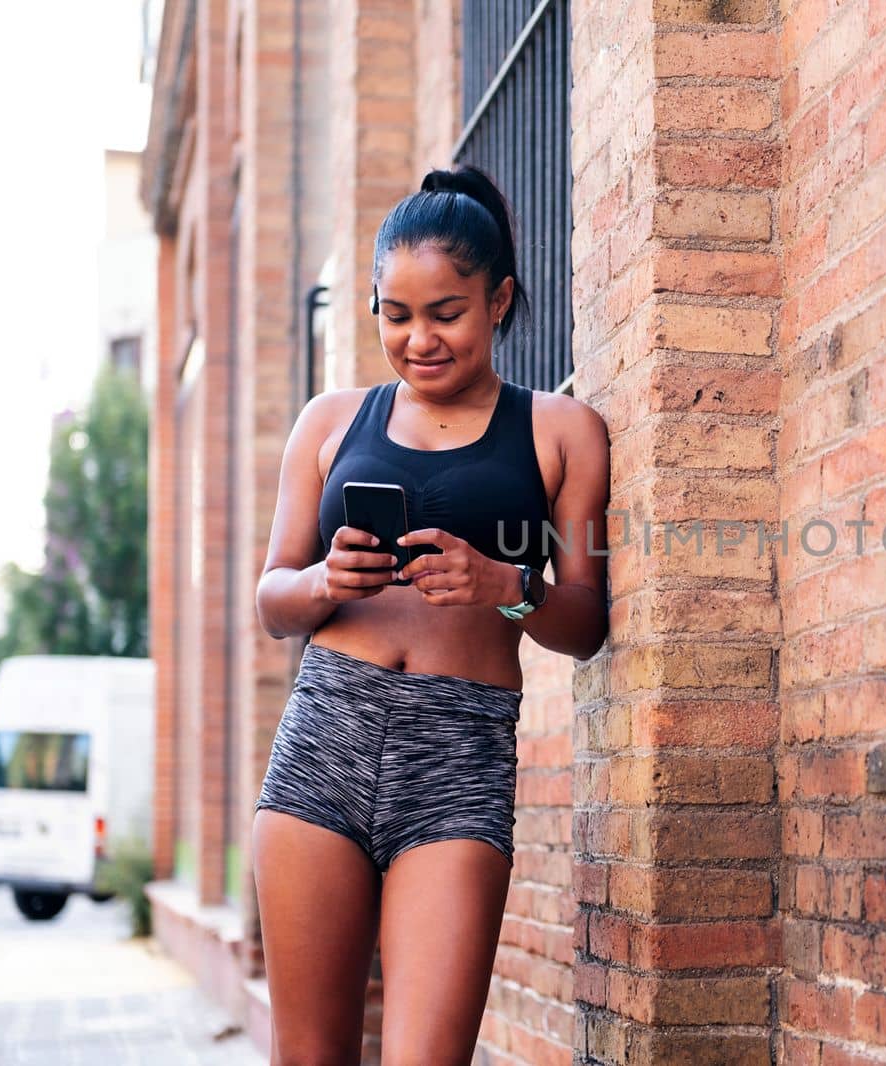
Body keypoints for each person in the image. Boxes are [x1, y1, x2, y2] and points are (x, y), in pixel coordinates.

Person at [251, 164, 610, 1065]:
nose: (419, 340)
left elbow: (586, 620)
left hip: (458, 756)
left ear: (499, 301)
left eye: (445, 313)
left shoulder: (563, 430)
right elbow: (272, 599)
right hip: (324, 740)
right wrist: (330, 581)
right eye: (395, 315)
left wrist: (506, 588)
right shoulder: (331, 421)